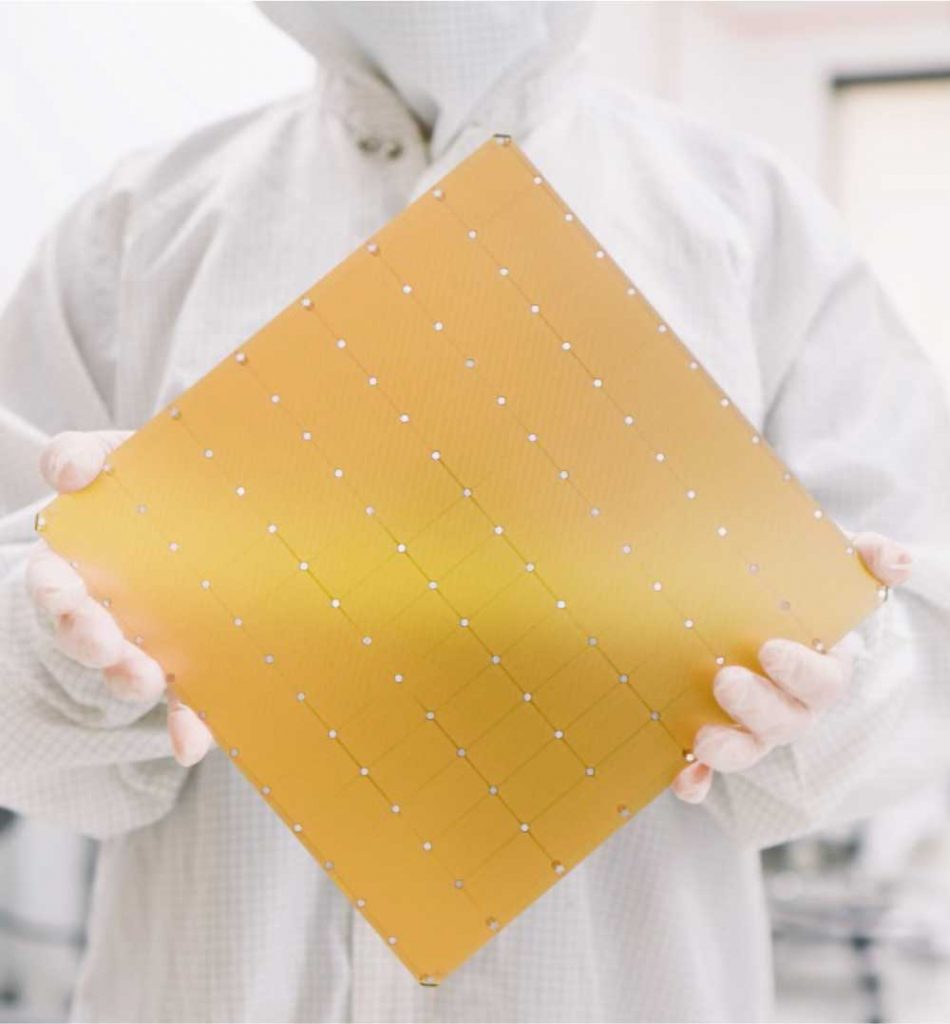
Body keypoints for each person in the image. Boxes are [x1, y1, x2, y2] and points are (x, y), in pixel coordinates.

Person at [1, 4, 948, 1021]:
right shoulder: (139, 227)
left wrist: (832, 681)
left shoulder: (744, 219)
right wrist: (62, 642)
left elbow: (921, 634)